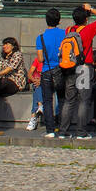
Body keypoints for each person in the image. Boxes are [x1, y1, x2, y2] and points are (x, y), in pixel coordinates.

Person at [60, 3, 96, 139]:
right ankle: (81, 132)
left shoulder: (69, 30)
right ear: (86, 18)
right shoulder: (88, 29)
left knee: (69, 100)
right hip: (84, 68)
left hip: (69, 67)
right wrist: (91, 9)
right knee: (83, 100)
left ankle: (63, 131)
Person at [31, 8, 65, 136]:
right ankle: (62, 128)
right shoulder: (64, 34)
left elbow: (40, 58)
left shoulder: (41, 37)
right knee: (62, 99)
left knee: (47, 100)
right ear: (59, 20)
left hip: (46, 70)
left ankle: (50, 129)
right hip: (61, 70)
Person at [0, 37, 28, 120]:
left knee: (2, 83)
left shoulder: (17, 54)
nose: (4, 46)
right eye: (3, 44)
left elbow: (10, 68)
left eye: (6, 44)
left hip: (16, 82)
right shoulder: (3, 57)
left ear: (13, 46)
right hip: (4, 82)